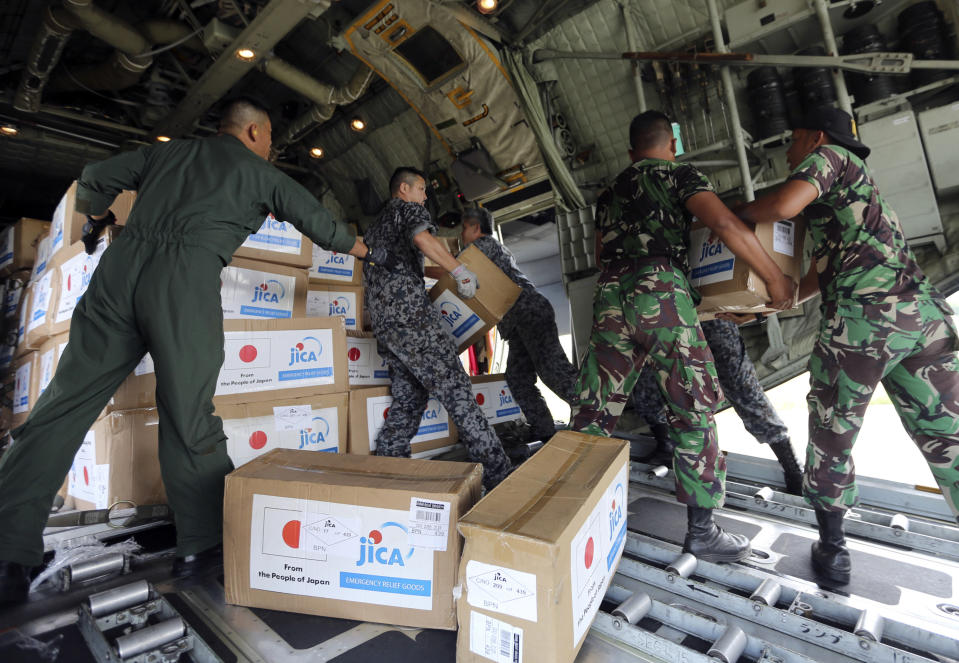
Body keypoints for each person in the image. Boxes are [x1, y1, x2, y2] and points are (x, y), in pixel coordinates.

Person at [0, 98, 391, 604]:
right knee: (187, 413)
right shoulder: (257, 172)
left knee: (63, 404)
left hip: (118, 272)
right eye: (269, 139)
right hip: (181, 283)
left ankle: (9, 546)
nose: (271, 150)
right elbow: (322, 225)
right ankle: (202, 545)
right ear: (253, 131)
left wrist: (97, 219)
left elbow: (96, 175)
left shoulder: (167, 155)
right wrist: (367, 251)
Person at [736, 106, 959, 584]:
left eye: (792, 141)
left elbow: (779, 207)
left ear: (814, 138)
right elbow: (823, 274)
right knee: (947, 436)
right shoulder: (859, 198)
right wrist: (770, 301)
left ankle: (834, 551)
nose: (788, 152)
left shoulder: (833, 157)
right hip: (923, 322)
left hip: (864, 326)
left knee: (832, 435)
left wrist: (727, 214)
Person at [570, 110, 795, 563]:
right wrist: (775, 279)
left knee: (594, 411)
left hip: (611, 294)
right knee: (692, 406)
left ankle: (566, 516)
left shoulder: (611, 192)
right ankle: (702, 531)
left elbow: (600, 253)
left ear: (632, 150)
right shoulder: (680, 174)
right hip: (662, 292)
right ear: (670, 144)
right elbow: (726, 225)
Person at [364, 167, 513, 489]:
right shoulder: (408, 210)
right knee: (457, 390)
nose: (425, 195)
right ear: (403, 189)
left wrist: (443, 270)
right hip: (412, 320)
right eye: (421, 188)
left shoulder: (376, 228)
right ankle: (499, 474)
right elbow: (422, 237)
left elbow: (407, 260)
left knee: (409, 398)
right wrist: (459, 270)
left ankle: (387, 468)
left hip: (386, 325)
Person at [631, 315, 803, 494]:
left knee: (742, 387)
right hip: (665, 313)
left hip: (712, 315)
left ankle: (792, 467)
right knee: (647, 379)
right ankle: (665, 446)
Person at [459, 207, 578, 442]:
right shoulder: (488, 249)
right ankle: (543, 429)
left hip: (529, 313)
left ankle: (594, 417)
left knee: (554, 372)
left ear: (475, 228)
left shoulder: (484, 245)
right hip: (518, 322)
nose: (462, 234)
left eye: (464, 228)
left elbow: (452, 270)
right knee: (518, 378)